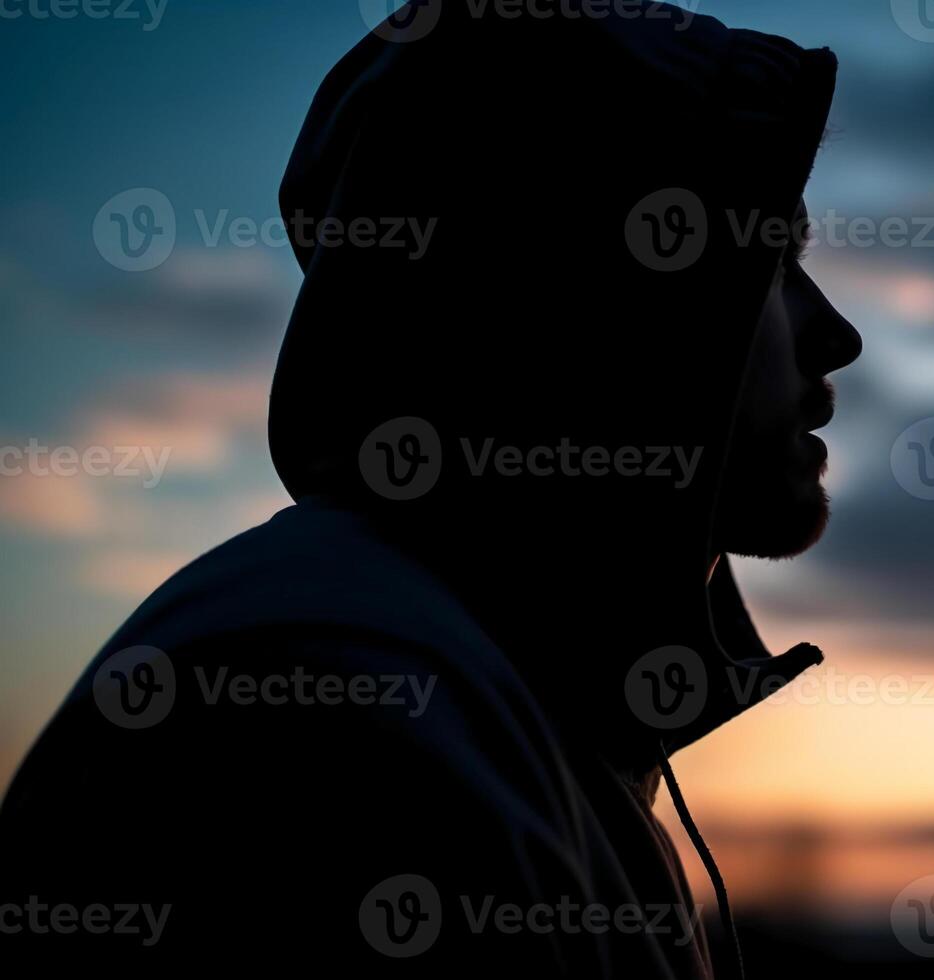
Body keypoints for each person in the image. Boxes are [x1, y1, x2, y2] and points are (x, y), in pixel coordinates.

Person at [0, 2, 861, 974]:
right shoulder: (339, 715)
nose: (838, 334)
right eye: (772, 259)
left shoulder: (516, 711)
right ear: (594, 290)